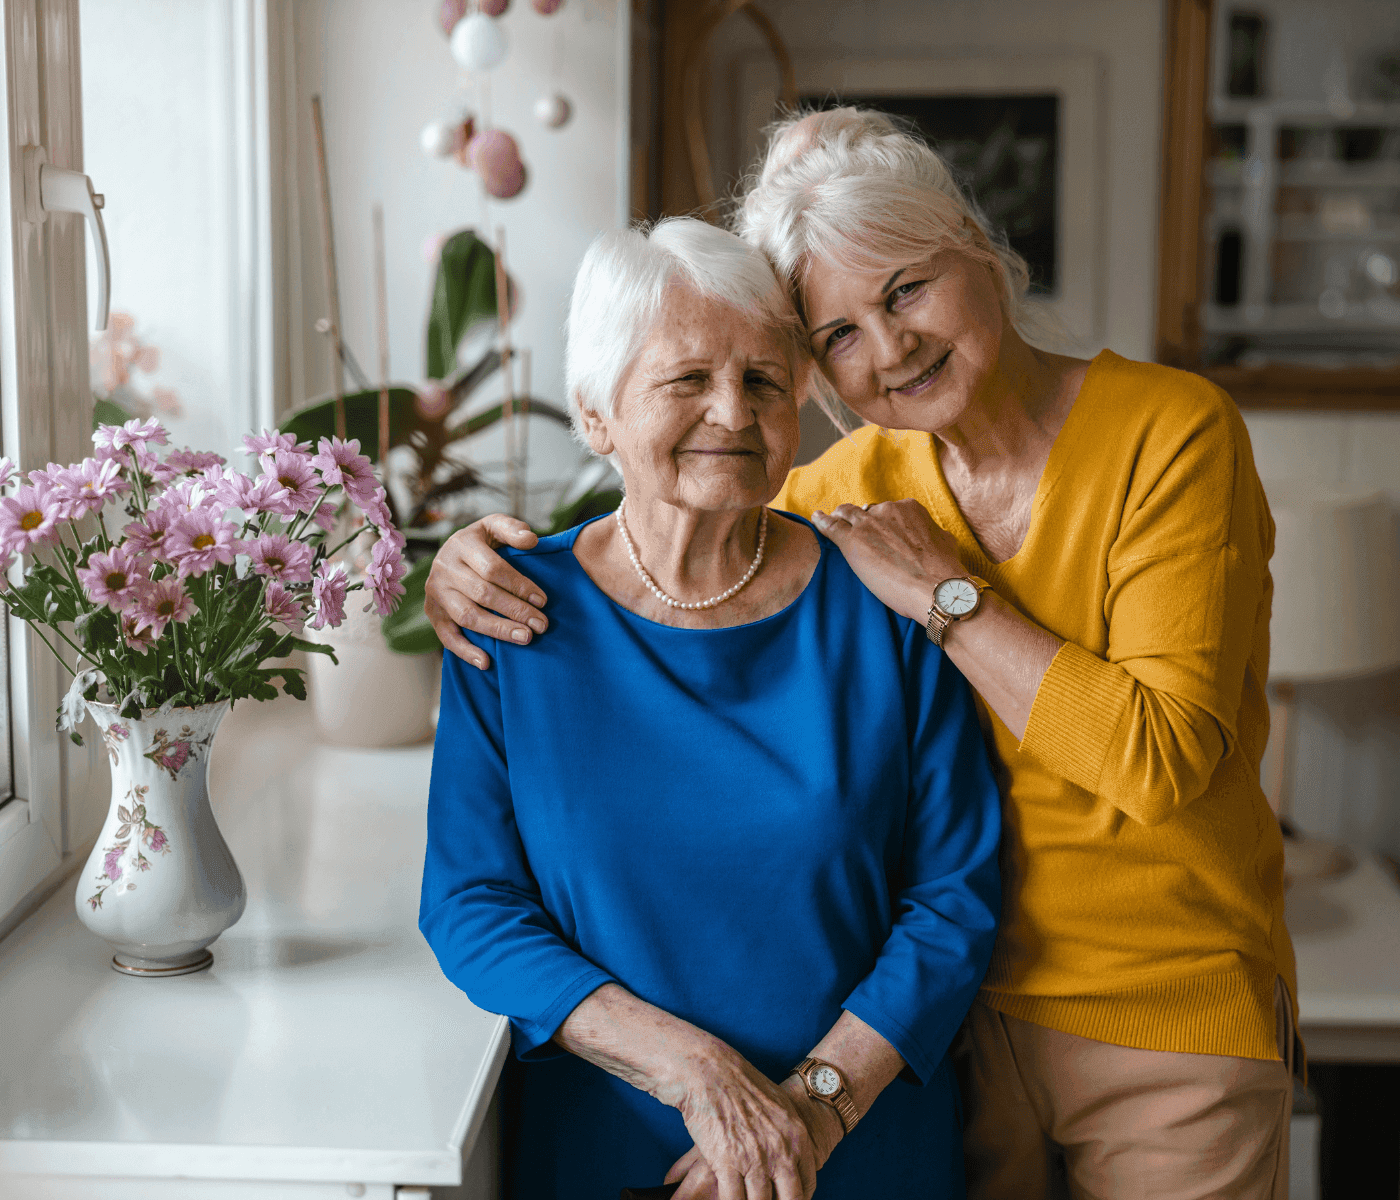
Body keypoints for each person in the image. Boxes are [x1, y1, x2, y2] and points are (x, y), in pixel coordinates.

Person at [423, 109, 1300, 1200]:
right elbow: (686, 516)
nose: (886, 348)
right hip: (960, 1038)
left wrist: (948, 598)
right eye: (836, 333)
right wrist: (456, 560)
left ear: (978, 252)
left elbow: (1146, 766)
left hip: (1144, 1013)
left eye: (906, 289)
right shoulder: (832, 501)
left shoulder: (1156, 438)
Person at [419, 216, 1002, 1200]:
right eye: (685, 379)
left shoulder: (884, 600)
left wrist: (811, 1108)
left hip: (859, 1143)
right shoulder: (512, 613)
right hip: (614, 1139)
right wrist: (697, 1075)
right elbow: (472, 905)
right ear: (596, 414)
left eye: (763, 381)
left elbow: (955, 897)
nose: (731, 413)